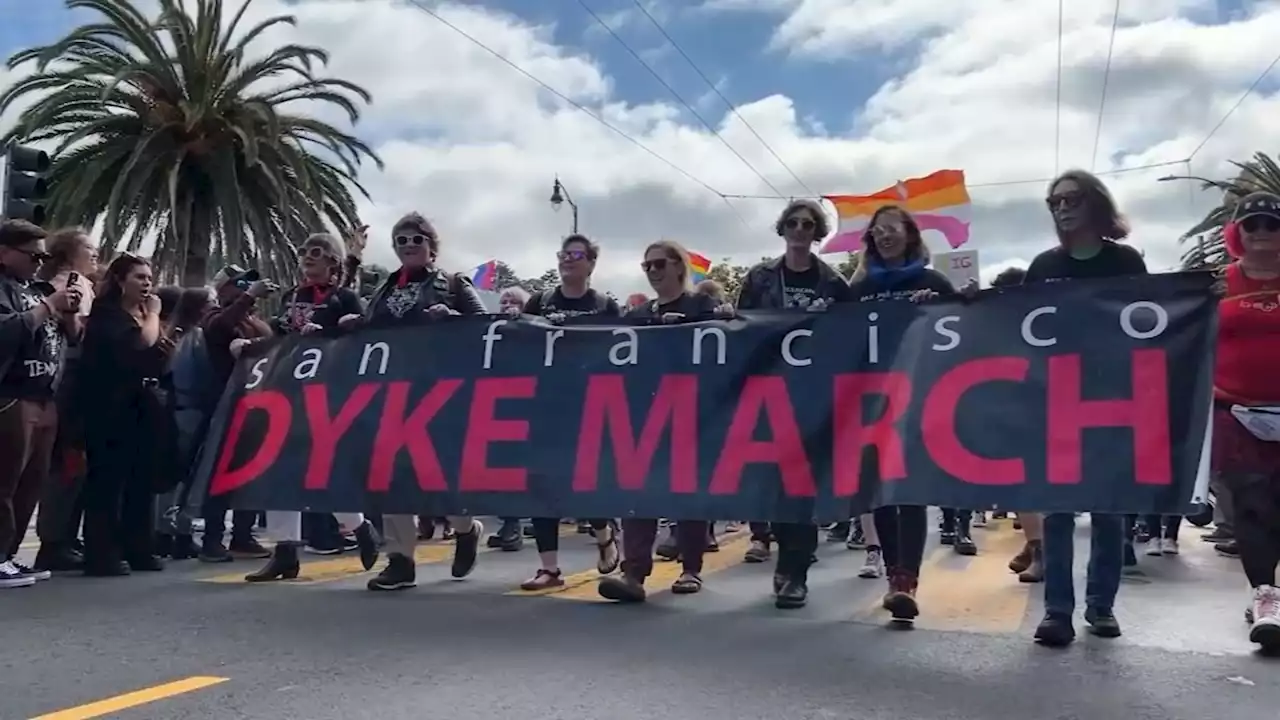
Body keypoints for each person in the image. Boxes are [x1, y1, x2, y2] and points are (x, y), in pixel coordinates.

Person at [1027, 169, 1148, 647]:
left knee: (1107, 508)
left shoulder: (1126, 262)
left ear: (1095, 202)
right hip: (1055, 397)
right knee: (1057, 510)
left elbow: (1151, 321)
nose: (1062, 207)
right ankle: (1058, 611)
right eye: (1054, 201)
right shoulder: (1043, 265)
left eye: (1071, 198)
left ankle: (1101, 606)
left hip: (1112, 397)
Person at [848, 204, 969, 623]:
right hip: (873, 399)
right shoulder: (860, 288)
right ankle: (892, 576)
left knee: (911, 489)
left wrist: (943, 304)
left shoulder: (932, 280)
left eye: (891, 229)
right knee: (880, 489)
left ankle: (906, 581)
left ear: (910, 234)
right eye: (877, 231)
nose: (884, 236)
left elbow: (966, 323)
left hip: (921, 397)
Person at [356, 212, 488, 592]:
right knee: (391, 472)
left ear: (432, 246)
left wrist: (453, 317)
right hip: (389, 391)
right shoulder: (383, 289)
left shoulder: (453, 283)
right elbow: (369, 329)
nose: (410, 245)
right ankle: (400, 559)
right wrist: (353, 326)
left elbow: (483, 326)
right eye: (402, 240)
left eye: (417, 239)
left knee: (436, 473)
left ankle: (466, 528)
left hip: (438, 391)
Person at [596, 239, 732, 603]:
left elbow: (729, 341)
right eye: (647, 267)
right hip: (646, 414)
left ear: (678, 265)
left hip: (693, 411)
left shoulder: (702, 305)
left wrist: (702, 323)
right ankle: (633, 574)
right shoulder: (639, 315)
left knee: (688, 492)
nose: (653, 272)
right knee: (638, 493)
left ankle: (691, 568)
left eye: (659, 264)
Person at [735, 199, 853, 609]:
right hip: (768, 392)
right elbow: (740, 331)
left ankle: (796, 573)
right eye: (793, 223)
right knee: (774, 484)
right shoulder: (760, 278)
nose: (800, 229)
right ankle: (786, 561)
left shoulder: (834, 283)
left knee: (802, 485)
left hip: (814, 394)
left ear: (817, 232)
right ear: (783, 228)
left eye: (808, 224)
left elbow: (851, 338)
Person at [247, 232, 380, 582]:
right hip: (286, 389)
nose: (308, 257)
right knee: (277, 467)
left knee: (323, 466)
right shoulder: (292, 296)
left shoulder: (346, 297)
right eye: (304, 251)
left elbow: (364, 340)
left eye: (317, 252)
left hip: (327, 392)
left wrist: (335, 332)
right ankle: (284, 551)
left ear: (332, 262)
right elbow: (279, 334)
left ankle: (359, 527)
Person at [514, 234, 623, 591]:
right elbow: (518, 347)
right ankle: (549, 568)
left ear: (591, 263)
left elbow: (624, 352)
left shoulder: (606, 306)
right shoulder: (539, 301)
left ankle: (604, 531)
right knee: (542, 482)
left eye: (576, 254)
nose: (567, 260)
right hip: (544, 403)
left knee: (584, 481)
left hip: (589, 404)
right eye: (563, 254)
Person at [1208, 192, 1280, 650]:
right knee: (1253, 505)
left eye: (1271, 225)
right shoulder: (1218, 285)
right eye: (1251, 224)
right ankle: (1266, 597)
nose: (1261, 233)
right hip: (1236, 411)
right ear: (1238, 232)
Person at [78, 254, 174, 576]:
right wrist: (156, 316)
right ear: (121, 281)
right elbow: (140, 342)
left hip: (141, 404)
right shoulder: (108, 315)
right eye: (139, 278)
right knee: (108, 481)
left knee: (141, 480)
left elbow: (155, 350)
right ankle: (102, 552)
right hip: (109, 406)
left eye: (149, 278)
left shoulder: (142, 314)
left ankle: (139, 548)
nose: (147, 284)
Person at [0, 220, 79, 588]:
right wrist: (49, 305)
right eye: (32, 255)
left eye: (42, 256)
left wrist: (67, 311)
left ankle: (10, 555)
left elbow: (72, 337)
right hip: (12, 394)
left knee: (31, 482)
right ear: (5, 252)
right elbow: (7, 331)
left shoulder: (35, 288)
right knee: (6, 481)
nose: (38, 262)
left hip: (45, 395)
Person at [197, 265, 277, 563]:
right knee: (222, 476)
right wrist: (246, 298)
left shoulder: (254, 322)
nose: (248, 288)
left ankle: (244, 534)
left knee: (252, 473)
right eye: (240, 283)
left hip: (258, 407)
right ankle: (212, 539)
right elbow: (218, 330)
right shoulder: (215, 317)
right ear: (224, 289)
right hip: (227, 407)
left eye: (251, 283)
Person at [32, 227, 98, 572]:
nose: (95, 254)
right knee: (67, 464)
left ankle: (64, 537)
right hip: (68, 383)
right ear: (71, 252)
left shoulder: (80, 283)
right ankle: (55, 540)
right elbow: (75, 333)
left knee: (73, 464)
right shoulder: (70, 283)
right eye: (89, 248)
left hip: (70, 383)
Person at [153, 286, 217, 561]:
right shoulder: (192, 336)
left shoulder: (171, 332)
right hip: (189, 409)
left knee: (174, 475)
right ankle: (176, 532)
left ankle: (167, 531)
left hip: (178, 408)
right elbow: (197, 374)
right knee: (182, 476)